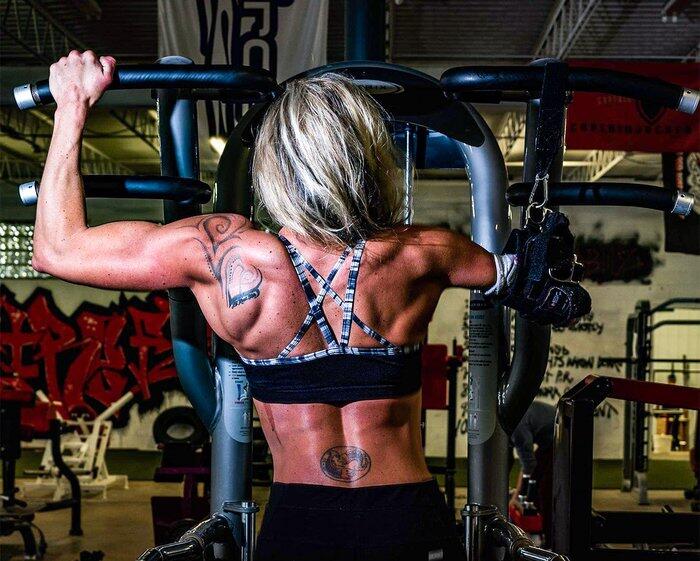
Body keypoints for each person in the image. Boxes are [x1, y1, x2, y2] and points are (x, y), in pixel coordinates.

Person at [32, 51, 569, 561]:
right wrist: (544, 241)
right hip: (407, 517)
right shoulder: (420, 253)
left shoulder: (223, 253)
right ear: (366, 159)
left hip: (300, 519)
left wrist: (72, 106)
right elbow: (534, 281)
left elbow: (56, 250)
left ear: (276, 165)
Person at [509, 400, 556, 548]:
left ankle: (550, 543)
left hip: (563, 437)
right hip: (548, 442)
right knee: (535, 488)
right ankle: (540, 531)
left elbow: (529, 465)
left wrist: (516, 497)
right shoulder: (506, 421)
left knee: (545, 491)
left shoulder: (516, 428)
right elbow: (508, 461)